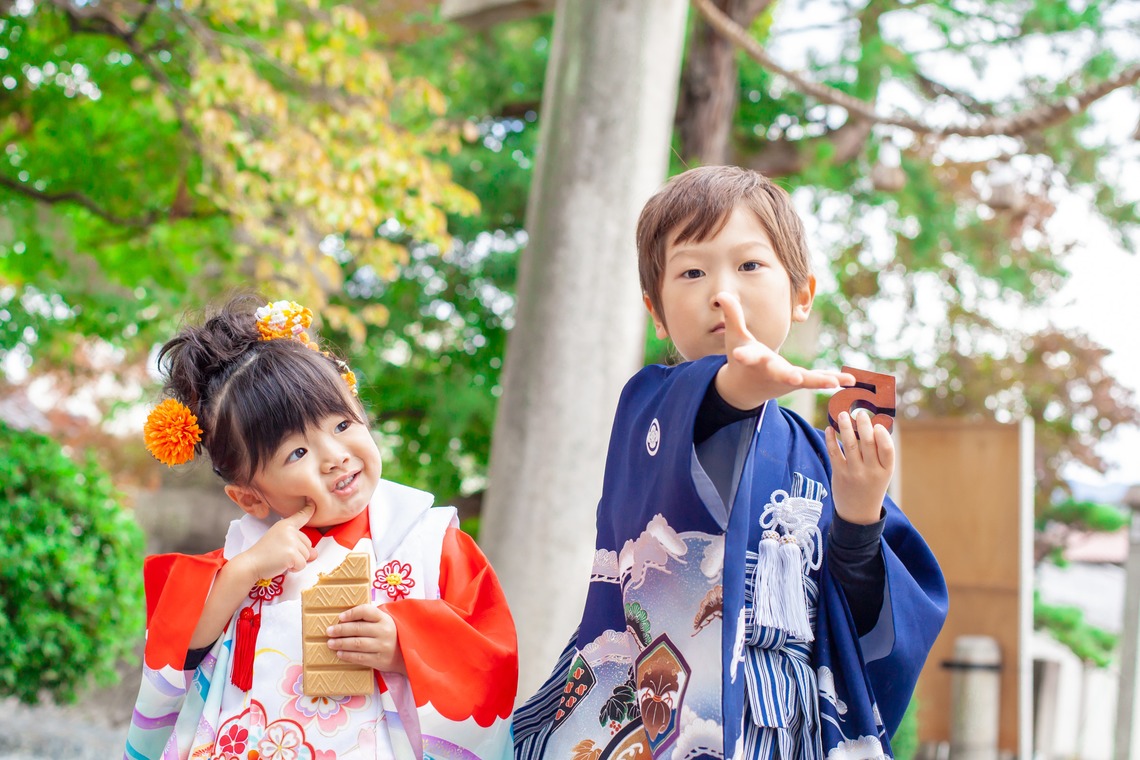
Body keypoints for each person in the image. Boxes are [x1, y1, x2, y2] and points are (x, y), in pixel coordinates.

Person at [512, 166, 947, 760]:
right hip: (662, 708)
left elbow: (875, 623)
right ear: (656, 311)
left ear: (801, 294)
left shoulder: (823, 456)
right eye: (692, 271)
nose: (723, 292)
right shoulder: (651, 406)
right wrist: (735, 389)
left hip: (786, 725)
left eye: (749, 266)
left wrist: (860, 514)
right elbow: (703, 414)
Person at [125, 296, 518, 760]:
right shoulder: (246, 559)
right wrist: (243, 572)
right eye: (297, 453)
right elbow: (177, 654)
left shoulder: (428, 538)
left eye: (342, 423)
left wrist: (405, 646)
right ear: (250, 496)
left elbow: (489, 653)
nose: (335, 456)